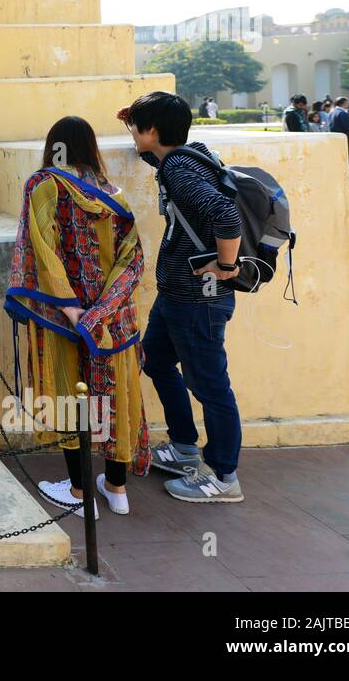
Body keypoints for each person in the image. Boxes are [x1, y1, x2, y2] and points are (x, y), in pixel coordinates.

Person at [4, 117, 150, 519]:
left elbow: (42, 249)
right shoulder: (112, 193)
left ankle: (80, 490)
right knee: (116, 396)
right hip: (113, 318)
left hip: (62, 314)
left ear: (54, 146)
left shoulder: (44, 184)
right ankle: (117, 490)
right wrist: (102, 312)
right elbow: (132, 258)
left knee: (71, 396)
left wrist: (73, 309)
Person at [117, 92, 245, 503]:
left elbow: (226, 214)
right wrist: (131, 121)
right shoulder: (185, 155)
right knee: (155, 360)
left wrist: (226, 267)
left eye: (138, 127)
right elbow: (154, 156)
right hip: (177, 295)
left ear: (153, 131)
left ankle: (224, 476)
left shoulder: (179, 169)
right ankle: (186, 448)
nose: (134, 134)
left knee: (209, 386)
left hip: (199, 298)